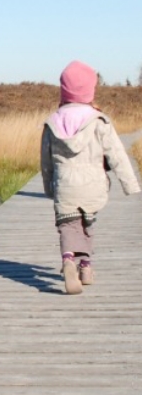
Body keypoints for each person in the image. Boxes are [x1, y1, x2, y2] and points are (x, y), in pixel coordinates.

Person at [40, 60, 141, 295]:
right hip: (93, 187)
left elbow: (45, 162)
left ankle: (68, 261)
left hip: (65, 186)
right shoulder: (99, 120)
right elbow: (117, 155)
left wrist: (48, 188)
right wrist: (131, 185)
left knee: (67, 226)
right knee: (87, 225)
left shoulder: (53, 122)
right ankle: (85, 268)